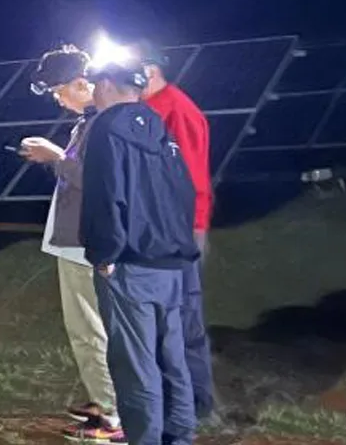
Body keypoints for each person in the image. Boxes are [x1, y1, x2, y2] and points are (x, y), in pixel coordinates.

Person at [80, 56, 202, 445]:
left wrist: (105, 254)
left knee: (136, 365)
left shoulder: (106, 128)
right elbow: (183, 191)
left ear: (107, 85)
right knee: (172, 359)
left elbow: (105, 194)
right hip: (171, 261)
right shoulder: (157, 128)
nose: (94, 92)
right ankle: (179, 436)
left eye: (97, 84)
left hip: (130, 264)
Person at [19, 44, 124, 443]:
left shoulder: (104, 124)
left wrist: (55, 157)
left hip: (85, 245)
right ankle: (106, 401)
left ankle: (113, 420)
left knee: (89, 331)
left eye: (59, 91)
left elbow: (102, 184)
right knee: (93, 329)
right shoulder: (92, 122)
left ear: (82, 83)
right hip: (79, 241)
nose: (58, 100)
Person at [128, 41, 220, 422]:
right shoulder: (146, 109)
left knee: (182, 318)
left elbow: (188, 176)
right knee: (161, 319)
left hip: (178, 228)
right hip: (155, 226)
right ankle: (171, 397)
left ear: (149, 71)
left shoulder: (177, 109)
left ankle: (195, 405)